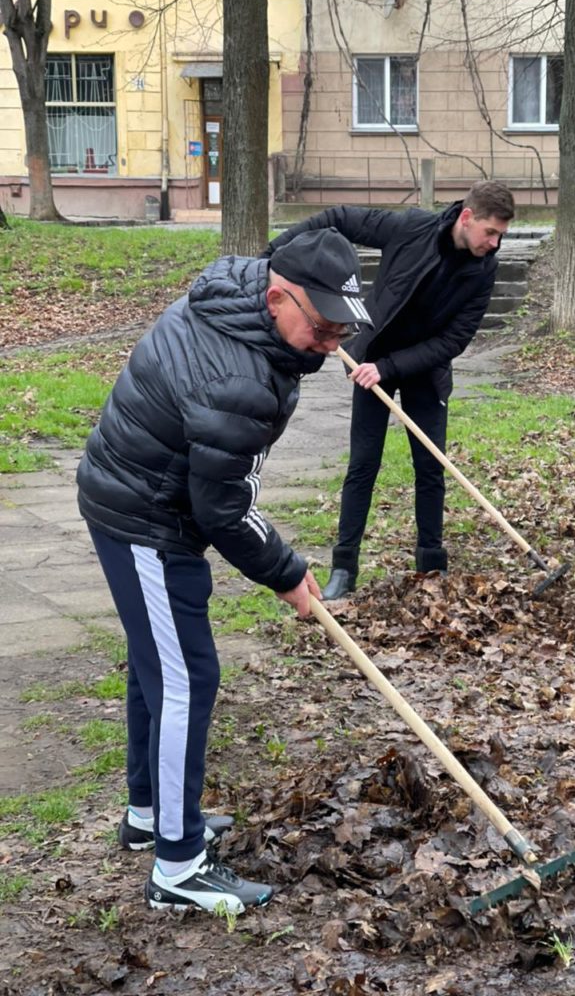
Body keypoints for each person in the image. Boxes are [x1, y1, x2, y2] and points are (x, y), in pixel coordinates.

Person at [76, 228, 371, 916]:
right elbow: (224, 510)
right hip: (144, 517)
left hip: (143, 497)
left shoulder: (239, 299)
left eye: (343, 328)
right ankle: (178, 867)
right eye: (322, 327)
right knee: (186, 678)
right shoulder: (237, 378)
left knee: (160, 667)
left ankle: (151, 815)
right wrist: (290, 573)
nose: (332, 345)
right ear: (277, 297)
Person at [263, 180, 515, 600]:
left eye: (500, 236)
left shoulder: (484, 270)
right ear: (467, 218)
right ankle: (344, 567)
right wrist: (274, 253)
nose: (494, 243)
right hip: (369, 362)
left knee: (430, 468)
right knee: (363, 466)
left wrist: (389, 368)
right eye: (491, 232)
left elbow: (454, 341)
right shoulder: (411, 228)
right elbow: (339, 219)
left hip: (425, 371)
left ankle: (431, 565)